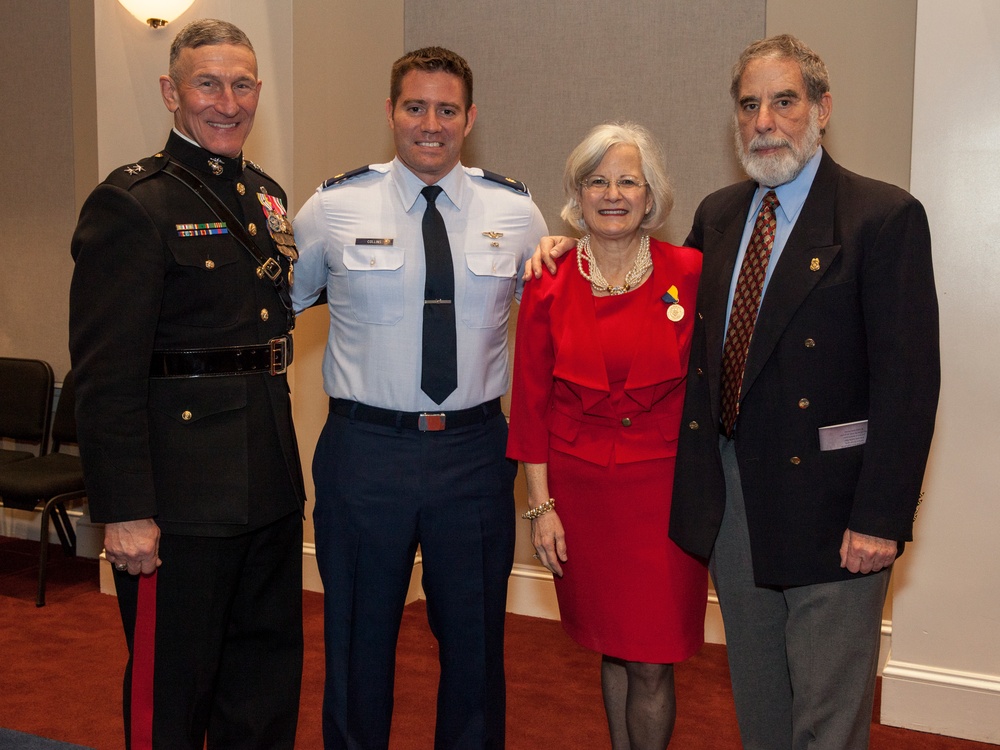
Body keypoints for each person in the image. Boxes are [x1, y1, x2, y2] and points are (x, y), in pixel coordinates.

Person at [530, 34, 940, 750]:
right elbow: (655, 302)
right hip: (733, 501)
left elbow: (909, 384)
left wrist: (882, 516)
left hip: (834, 508)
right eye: (749, 105)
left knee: (827, 715)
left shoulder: (882, 217)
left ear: (822, 108)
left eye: (784, 102)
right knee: (760, 705)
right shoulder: (719, 218)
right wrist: (569, 249)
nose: (764, 121)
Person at [291, 46, 548, 749]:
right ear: (390, 112)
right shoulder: (334, 208)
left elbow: (558, 331)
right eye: (414, 107)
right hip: (364, 450)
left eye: (445, 109)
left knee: (474, 646)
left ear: (469, 117)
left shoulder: (517, 212)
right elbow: (274, 307)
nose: (428, 124)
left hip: (473, 452)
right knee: (355, 638)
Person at [69, 19, 305, 749]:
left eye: (241, 84)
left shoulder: (264, 196)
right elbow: (104, 378)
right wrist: (125, 510)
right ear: (173, 92)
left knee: (263, 689)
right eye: (208, 83)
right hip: (179, 502)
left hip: (266, 484)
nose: (227, 102)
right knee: (173, 693)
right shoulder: (133, 203)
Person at [506, 122, 707, 749]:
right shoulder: (548, 277)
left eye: (629, 181)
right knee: (610, 646)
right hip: (581, 497)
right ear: (577, 193)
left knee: (650, 657)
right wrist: (542, 508)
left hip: (665, 499)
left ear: (651, 197)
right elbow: (531, 402)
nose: (613, 193)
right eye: (598, 181)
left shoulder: (692, 271)